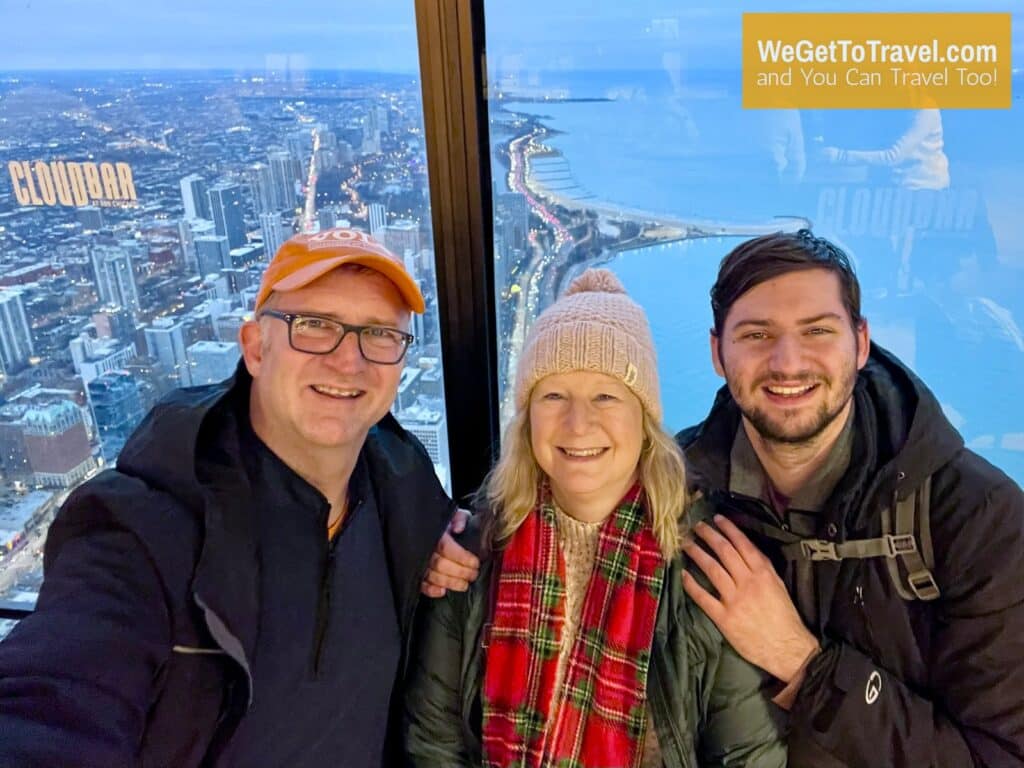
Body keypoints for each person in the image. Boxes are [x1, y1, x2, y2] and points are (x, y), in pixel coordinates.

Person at [0, 228, 460, 767]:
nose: (349, 360)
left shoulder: (404, 507)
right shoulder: (143, 533)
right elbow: (50, 702)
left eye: (379, 333)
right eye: (314, 326)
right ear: (255, 348)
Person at [404, 269, 785, 767]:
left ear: (644, 419)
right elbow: (434, 742)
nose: (578, 424)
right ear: (528, 419)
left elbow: (748, 755)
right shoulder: (472, 554)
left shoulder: (704, 563)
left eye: (606, 396)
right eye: (553, 396)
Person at [678, 229, 1024, 766]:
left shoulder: (976, 518)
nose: (787, 363)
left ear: (860, 343)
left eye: (816, 331)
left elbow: (1000, 757)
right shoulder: (676, 500)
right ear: (717, 353)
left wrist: (805, 667)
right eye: (756, 335)